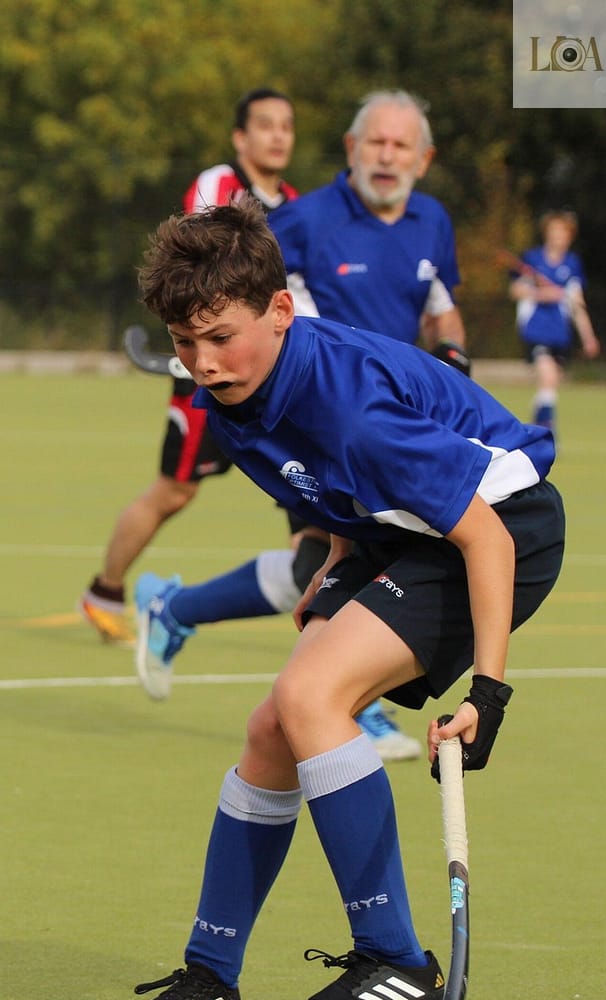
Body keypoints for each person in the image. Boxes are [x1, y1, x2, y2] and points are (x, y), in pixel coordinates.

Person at [104, 198, 563, 1000]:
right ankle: (209, 978)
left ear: (281, 310)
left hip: (499, 531)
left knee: (309, 693)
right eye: (182, 340)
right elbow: (326, 488)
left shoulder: (350, 405)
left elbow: (485, 534)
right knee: (273, 726)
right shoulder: (234, 393)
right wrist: (334, 553)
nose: (201, 363)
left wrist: (487, 693)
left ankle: (394, 964)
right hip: (402, 531)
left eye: (220, 335)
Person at [135, 90, 470, 761]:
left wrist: (455, 366)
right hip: (307, 421)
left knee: (311, 569)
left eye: (401, 146)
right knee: (326, 560)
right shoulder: (301, 221)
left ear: (423, 159)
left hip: (389, 425)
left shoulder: (431, 221)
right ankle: (347, 701)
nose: (386, 156)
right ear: (350, 148)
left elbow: (442, 311)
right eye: (374, 142)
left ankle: (176, 610)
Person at [78, 87, 297, 644]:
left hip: (275, 382)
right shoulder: (217, 185)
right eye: (265, 126)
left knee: (307, 497)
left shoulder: (297, 203)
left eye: (285, 127)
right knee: (173, 491)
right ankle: (105, 589)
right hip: (212, 379)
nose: (277, 136)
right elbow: (192, 273)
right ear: (240, 137)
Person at [508, 208, 600, 436]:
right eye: (554, 232)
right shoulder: (533, 259)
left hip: (560, 332)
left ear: (570, 236)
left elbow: (577, 303)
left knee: (549, 386)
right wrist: (541, 295)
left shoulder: (572, 264)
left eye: (562, 233)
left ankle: (536, 428)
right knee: (548, 377)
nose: (558, 237)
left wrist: (588, 337)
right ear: (546, 233)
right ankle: (548, 432)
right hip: (536, 329)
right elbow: (516, 290)